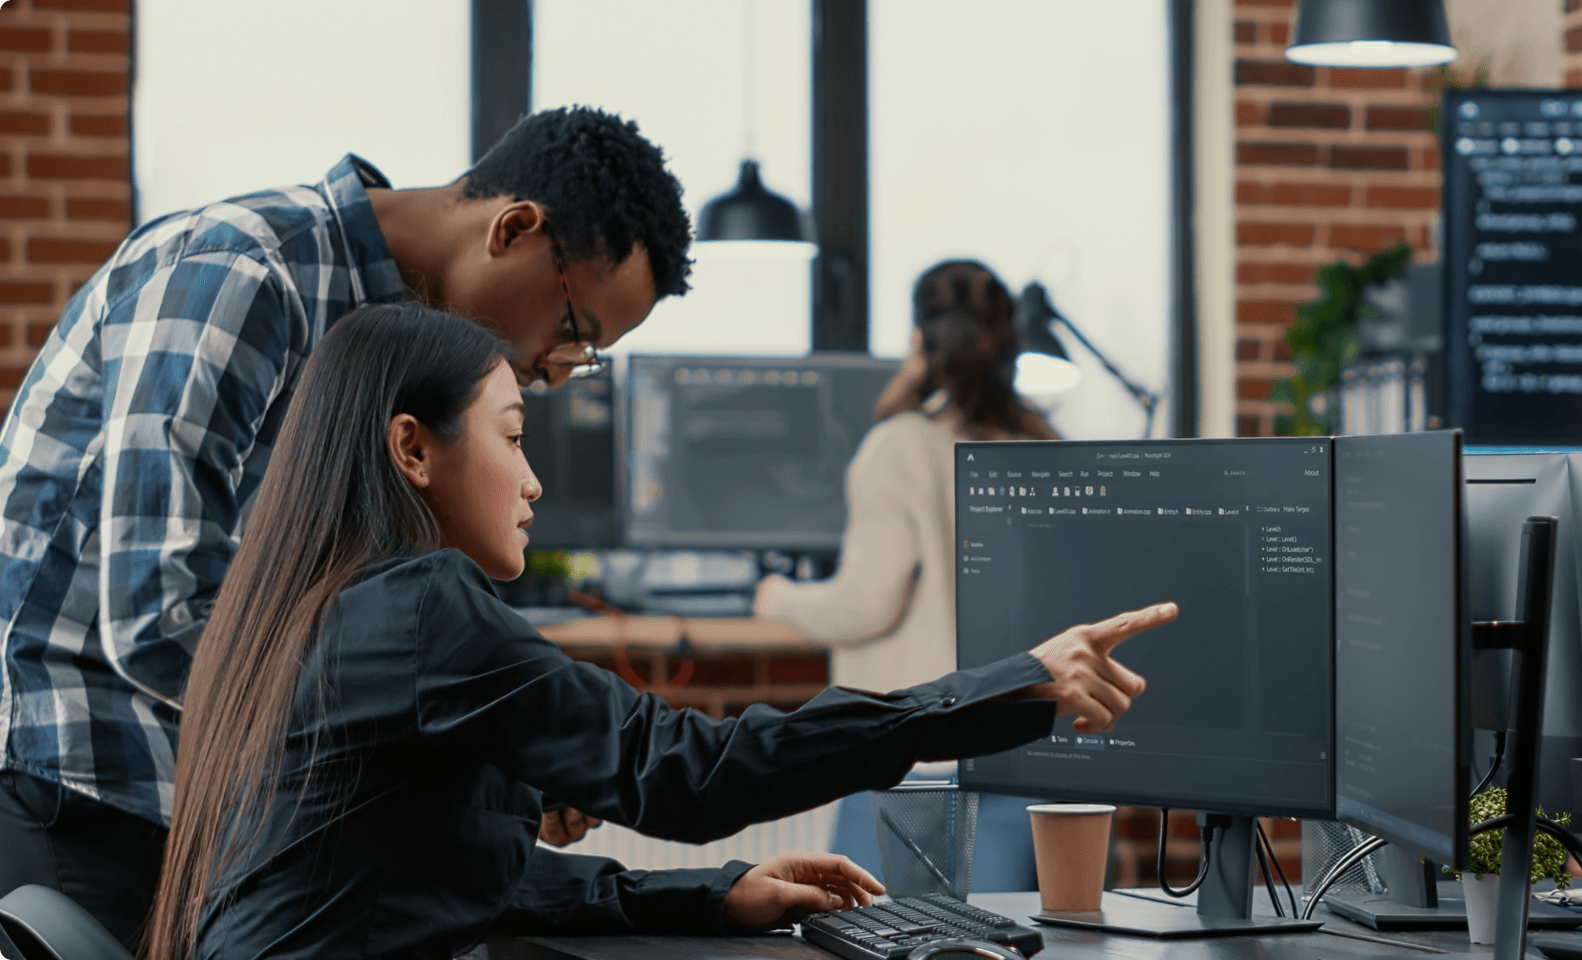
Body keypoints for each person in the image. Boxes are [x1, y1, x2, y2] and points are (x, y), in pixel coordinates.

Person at [140, 303, 1171, 960]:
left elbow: (445, 876)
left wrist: (716, 897)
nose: (535, 480)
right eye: (511, 438)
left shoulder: (303, 606)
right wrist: (1012, 685)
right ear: (412, 450)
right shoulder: (422, 607)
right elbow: (689, 770)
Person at [0, 106, 691, 947]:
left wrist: (487, 755)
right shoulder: (246, 271)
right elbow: (158, 611)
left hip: (203, 781)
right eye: (572, 330)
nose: (553, 371)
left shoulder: (397, 359)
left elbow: (359, 636)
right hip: (88, 776)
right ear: (514, 230)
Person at [752, 260, 1058, 890]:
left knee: (882, 935)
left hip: (918, 768)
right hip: (1026, 756)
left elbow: (868, 602)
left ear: (920, 342)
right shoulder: (1050, 449)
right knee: (1015, 944)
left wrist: (779, 598)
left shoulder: (900, 445)